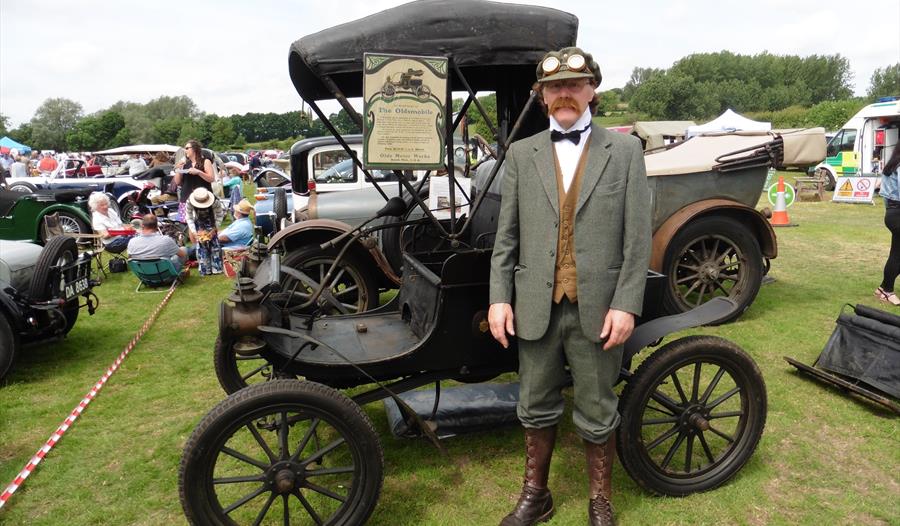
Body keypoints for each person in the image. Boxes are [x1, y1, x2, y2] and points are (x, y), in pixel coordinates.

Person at [488, 47, 651, 526]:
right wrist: (499, 297)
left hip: (599, 308)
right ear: (542, 97)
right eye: (554, 87)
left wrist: (626, 304)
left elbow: (638, 238)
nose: (564, 94)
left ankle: (600, 499)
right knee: (534, 404)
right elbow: (507, 237)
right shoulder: (521, 153)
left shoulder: (625, 152)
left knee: (598, 407)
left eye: (574, 85)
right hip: (535, 303)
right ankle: (536, 495)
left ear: (591, 91)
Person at [876, 144, 900, 306]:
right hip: (897, 214)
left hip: (892, 213)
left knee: (897, 254)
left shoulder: (892, 165)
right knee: (897, 255)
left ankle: (884, 287)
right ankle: (887, 290)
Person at [185, 187, 224, 275]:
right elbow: (189, 217)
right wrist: (194, 232)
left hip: (212, 224)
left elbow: (220, 215)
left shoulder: (215, 201)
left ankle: (216, 268)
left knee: (215, 247)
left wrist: (215, 229)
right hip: (199, 226)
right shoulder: (189, 202)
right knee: (202, 248)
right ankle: (205, 270)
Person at [174, 140, 215, 221]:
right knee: (185, 224)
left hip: (202, 198)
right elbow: (177, 182)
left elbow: (211, 178)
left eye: (187, 148)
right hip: (186, 198)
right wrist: (178, 169)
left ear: (194, 149)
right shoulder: (186, 164)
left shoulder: (205, 161)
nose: (185, 151)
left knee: (203, 225)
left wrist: (199, 172)